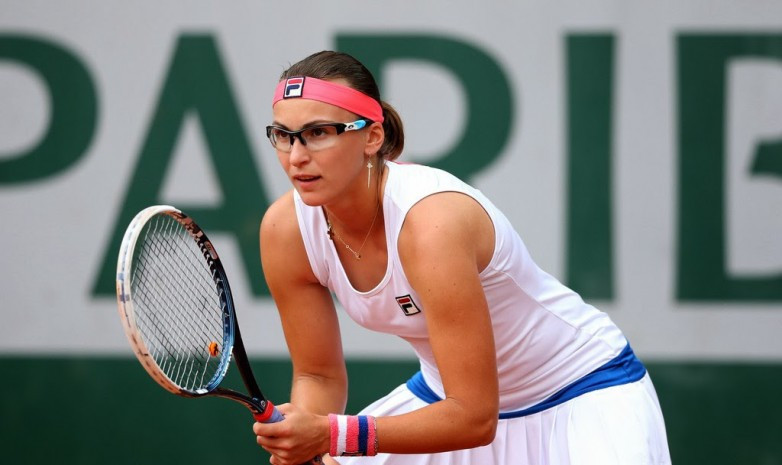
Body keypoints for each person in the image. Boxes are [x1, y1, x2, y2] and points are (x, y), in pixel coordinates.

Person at [253, 50, 671, 465]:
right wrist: (305, 440)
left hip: (581, 393)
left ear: (372, 137)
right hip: (444, 399)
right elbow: (318, 376)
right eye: (283, 135)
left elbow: (474, 418)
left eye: (319, 132)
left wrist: (331, 434)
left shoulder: (431, 224)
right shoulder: (285, 231)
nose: (296, 156)